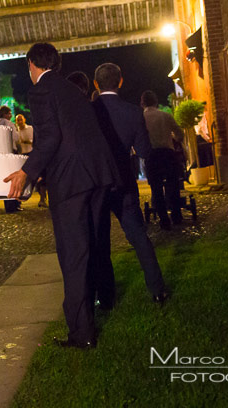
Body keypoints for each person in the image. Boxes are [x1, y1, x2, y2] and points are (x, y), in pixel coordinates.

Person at [5, 43, 118, 349]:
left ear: (32, 64)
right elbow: (70, 133)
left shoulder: (41, 91)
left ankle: (82, 332)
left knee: (73, 253)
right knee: (92, 246)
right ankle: (96, 307)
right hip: (97, 174)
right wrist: (42, 168)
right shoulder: (70, 89)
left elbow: (51, 136)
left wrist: (27, 171)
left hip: (71, 181)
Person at [92, 64, 169, 307]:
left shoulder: (88, 111)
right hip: (124, 182)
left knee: (99, 241)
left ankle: (104, 297)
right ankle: (157, 289)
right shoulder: (133, 112)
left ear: (96, 84)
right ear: (120, 82)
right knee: (138, 237)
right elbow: (145, 150)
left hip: (96, 185)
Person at [141, 90, 185, 228]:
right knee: (173, 184)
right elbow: (180, 133)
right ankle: (176, 216)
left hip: (152, 155)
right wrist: (174, 140)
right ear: (156, 102)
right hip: (167, 153)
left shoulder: (141, 118)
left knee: (156, 189)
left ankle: (164, 220)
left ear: (142, 103)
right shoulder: (165, 116)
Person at [0, 106, 22, 213]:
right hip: (11, 150)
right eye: (9, 113)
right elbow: (16, 138)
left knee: (6, 178)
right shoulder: (9, 124)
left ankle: (8, 204)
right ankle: (14, 204)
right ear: (5, 114)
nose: (11, 115)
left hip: (1, 152)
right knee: (13, 177)